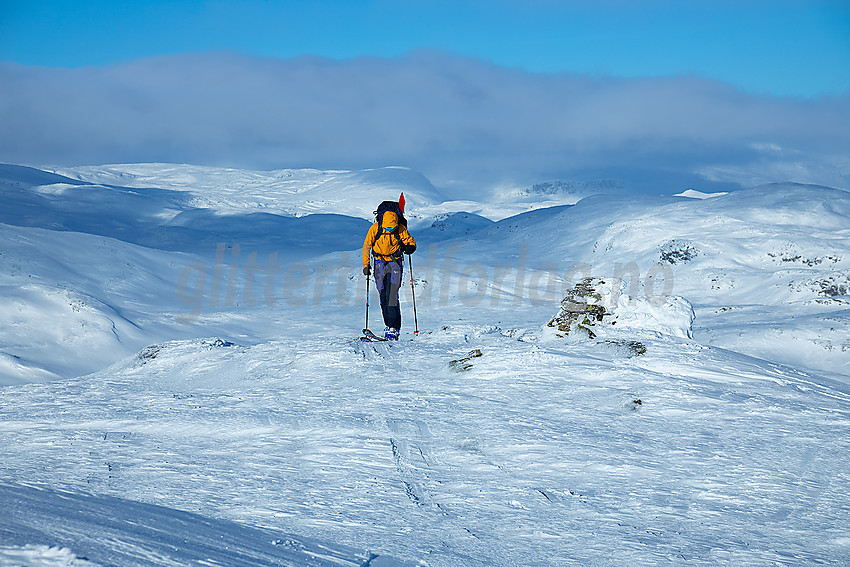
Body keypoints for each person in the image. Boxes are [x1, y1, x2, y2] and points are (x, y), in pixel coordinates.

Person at [362, 209, 416, 340]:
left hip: (394, 263)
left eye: (392, 229)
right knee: (383, 294)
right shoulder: (375, 228)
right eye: (387, 228)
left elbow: (411, 243)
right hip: (379, 263)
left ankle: (394, 327)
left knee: (392, 294)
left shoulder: (400, 228)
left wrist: (409, 248)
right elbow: (366, 247)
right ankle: (388, 326)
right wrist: (366, 265)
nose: (389, 230)